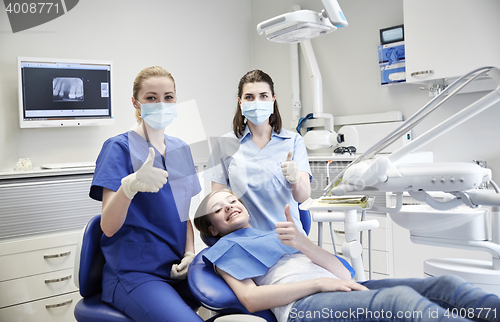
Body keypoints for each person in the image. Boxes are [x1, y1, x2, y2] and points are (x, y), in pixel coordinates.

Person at [194, 189, 500, 322]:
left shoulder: (276, 233)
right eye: (219, 208)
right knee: (399, 302)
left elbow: (342, 275)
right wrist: (317, 285)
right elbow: (251, 299)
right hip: (304, 308)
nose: (230, 205)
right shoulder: (223, 250)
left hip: (335, 288)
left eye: (232, 200)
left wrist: (304, 244)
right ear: (212, 228)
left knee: (446, 285)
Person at [90, 66, 204, 322]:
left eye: (168, 97)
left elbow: (183, 213)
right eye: (151, 98)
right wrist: (128, 187)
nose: (161, 104)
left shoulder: (180, 149)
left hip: (176, 268)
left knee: (240, 301)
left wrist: (189, 253)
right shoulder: (117, 148)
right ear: (136, 103)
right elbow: (108, 226)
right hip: (134, 273)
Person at [204, 69, 312, 234]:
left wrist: (295, 179)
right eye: (249, 97)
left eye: (263, 96)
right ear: (240, 102)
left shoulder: (294, 141)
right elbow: (217, 203)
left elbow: (303, 198)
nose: (257, 102)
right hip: (245, 240)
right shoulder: (225, 144)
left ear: (273, 100)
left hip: (289, 239)